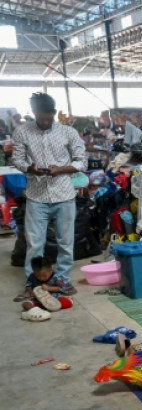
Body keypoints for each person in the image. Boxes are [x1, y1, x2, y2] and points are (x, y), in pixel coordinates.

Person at [12, 92, 86, 297]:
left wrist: (61, 169)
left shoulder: (68, 133)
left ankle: (62, 280)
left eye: (49, 117)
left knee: (65, 242)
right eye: (41, 117)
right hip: (36, 195)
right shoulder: (22, 131)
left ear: (54, 113)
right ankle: (32, 284)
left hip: (64, 194)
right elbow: (17, 159)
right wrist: (30, 168)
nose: (46, 122)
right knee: (35, 244)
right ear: (34, 113)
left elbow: (82, 161)